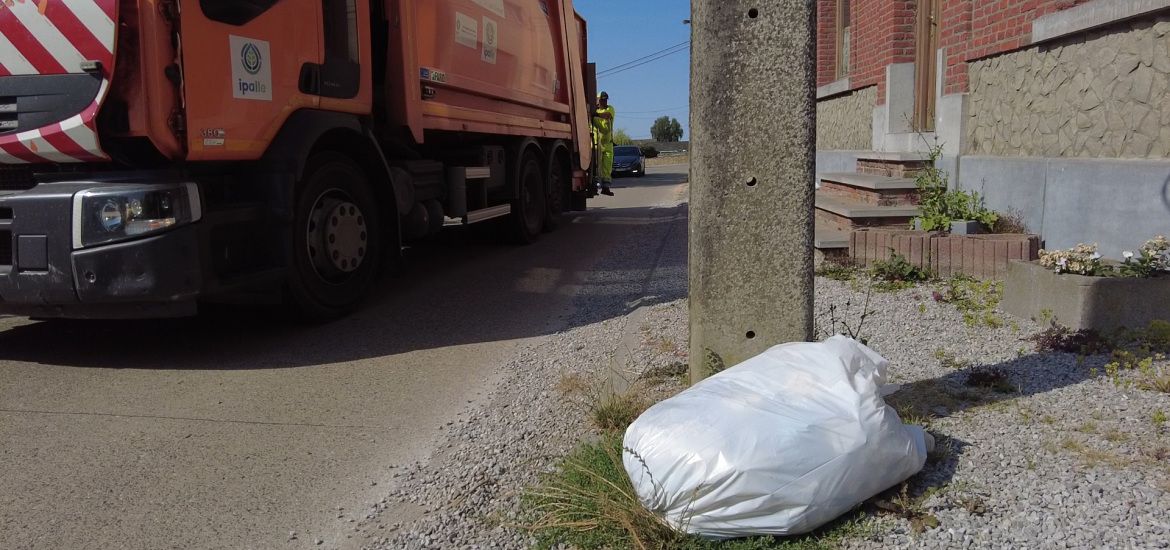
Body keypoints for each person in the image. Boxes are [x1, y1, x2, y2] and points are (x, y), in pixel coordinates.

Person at [592, 91, 616, 196]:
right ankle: (594, 186)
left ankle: (606, 187)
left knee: (607, 166)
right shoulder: (594, 111)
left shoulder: (609, 109)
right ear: (597, 100)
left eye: (605, 99)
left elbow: (607, 115)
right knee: (597, 166)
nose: (604, 101)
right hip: (596, 144)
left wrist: (595, 114)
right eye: (602, 99)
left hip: (608, 144)